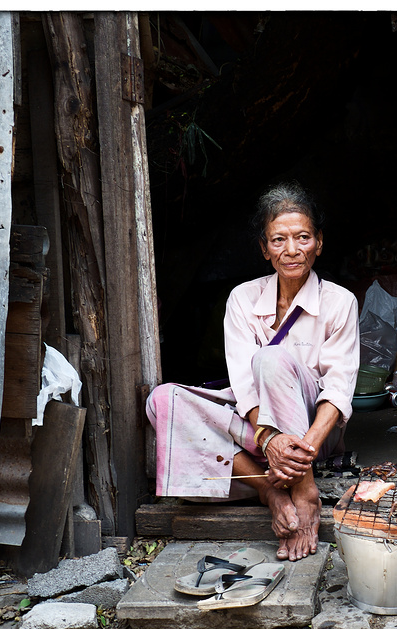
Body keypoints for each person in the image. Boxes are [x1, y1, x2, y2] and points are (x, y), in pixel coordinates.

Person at [146, 182, 359, 561]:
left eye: (303, 237)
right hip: (258, 432)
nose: (291, 250)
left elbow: (338, 391)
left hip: (315, 436)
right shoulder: (243, 298)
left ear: (319, 243)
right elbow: (244, 385)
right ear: (264, 248)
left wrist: (300, 454)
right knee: (163, 400)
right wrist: (271, 441)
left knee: (272, 358)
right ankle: (268, 490)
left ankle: (302, 488)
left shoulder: (340, 302)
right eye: (278, 240)